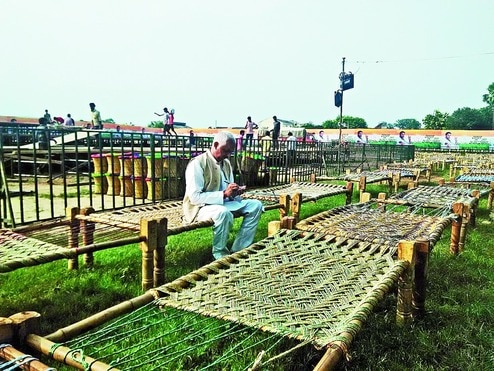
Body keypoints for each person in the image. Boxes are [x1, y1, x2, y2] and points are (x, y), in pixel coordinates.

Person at [183, 131, 263, 260]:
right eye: (225, 151)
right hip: (200, 208)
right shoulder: (197, 163)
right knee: (223, 213)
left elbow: (227, 191)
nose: (228, 155)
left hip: (223, 203)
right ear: (215, 145)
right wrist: (224, 194)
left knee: (256, 205)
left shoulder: (226, 163)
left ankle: (240, 249)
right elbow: (195, 198)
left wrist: (235, 192)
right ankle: (220, 255)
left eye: (230, 152)